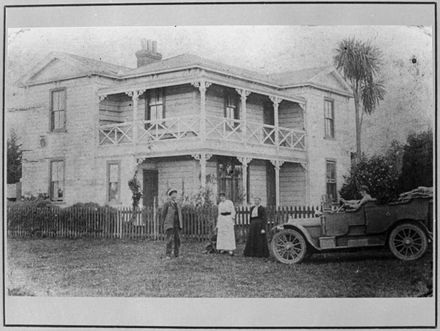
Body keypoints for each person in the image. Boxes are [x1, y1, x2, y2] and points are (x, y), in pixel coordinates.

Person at [161, 188, 183, 259]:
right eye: (173, 194)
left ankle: (177, 254)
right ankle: (168, 254)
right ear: (170, 195)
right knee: (169, 239)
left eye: (175, 194)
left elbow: (179, 214)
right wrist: (165, 224)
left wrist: (180, 224)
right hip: (170, 224)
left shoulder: (177, 204)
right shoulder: (167, 204)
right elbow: (163, 214)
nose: (174, 196)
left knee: (177, 239)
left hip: (177, 224)